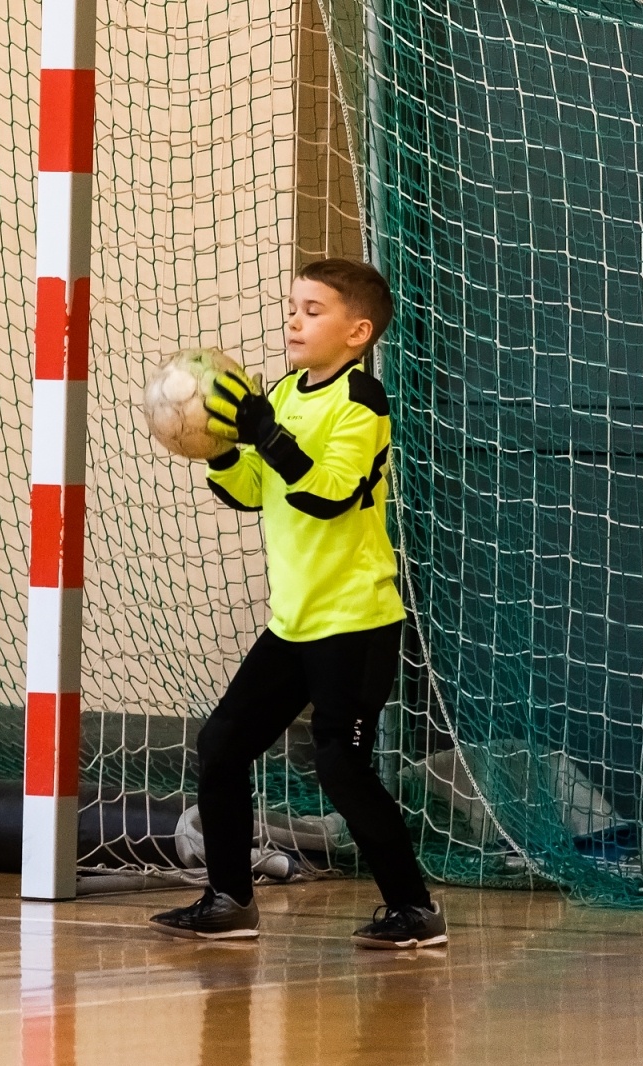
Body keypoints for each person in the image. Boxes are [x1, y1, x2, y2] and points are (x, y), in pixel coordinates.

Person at [148, 258, 445, 949]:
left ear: (357, 332)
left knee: (340, 763)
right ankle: (227, 899)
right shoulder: (280, 394)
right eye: (292, 306)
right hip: (295, 623)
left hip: (355, 621)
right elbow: (254, 491)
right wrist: (221, 447)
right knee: (222, 744)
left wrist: (264, 432)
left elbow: (327, 492)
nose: (294, 319)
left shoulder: (362, 403)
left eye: (313, 310)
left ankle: (415, 910)